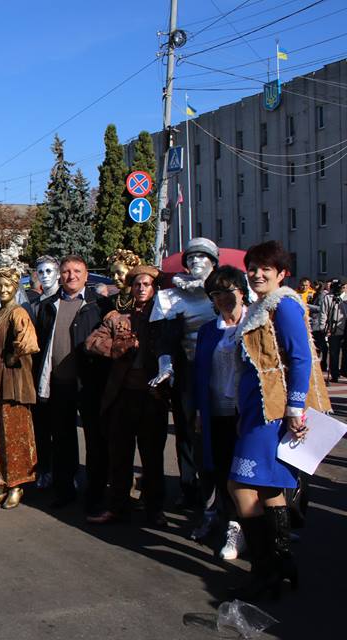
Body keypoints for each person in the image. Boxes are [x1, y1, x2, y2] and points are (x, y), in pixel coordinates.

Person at [229, 241, 330, 599]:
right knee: (270, 487)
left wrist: (294, 410)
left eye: (265, 269)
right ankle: (280, 563)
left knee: (240, 487)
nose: (257, 274)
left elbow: (301, 358)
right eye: (252, 267)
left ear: (281, 273)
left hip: (272, 413)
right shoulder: (261, 306)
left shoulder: (283, 305)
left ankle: (264, 569)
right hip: (258, 409)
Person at [85, 266, 168, 526]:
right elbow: (91, 342)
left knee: (152, 458)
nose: (142, 288)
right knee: (120, 456)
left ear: (154, 289)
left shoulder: (164, 318)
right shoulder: (118, 317)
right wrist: (117, 347)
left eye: (147, 284)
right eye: (137, 284)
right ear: (131, 289)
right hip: (122, 397)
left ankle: (155, 509)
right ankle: (117, 507)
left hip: (153, 398)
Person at [150, 237, 220, 513]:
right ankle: (189, 488)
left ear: (213, 262)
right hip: (188, 372)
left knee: (221, 432)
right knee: (187, 433)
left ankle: (220, 491)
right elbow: (163, 339)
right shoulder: (170, 297)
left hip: (222, 371)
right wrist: (165, 366)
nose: (195, 262)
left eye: (202, 257)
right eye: (190, 258)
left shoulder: (226, 290)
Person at [34, 255, 107, 511]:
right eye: (66, 271)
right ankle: (64, 490)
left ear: (87, 276)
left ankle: (95, 493)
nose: (71, 276)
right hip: (58, 384)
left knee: (95, 440)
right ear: (59, 275)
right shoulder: (47, 306)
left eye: (77, 271)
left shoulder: (98, 305)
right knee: (62, 440)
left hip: (89, 384)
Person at [194, 266, 250, 560]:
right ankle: (230, 522)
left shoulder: (253, 326)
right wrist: (200, 413)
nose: (223, 298)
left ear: (242, 291)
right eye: (216, 294)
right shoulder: (208, 330)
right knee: (220, 471)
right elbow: (201, 374)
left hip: (246, 414)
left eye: (229, 291)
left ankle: (246, 526)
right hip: (215, 411)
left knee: (245, 476)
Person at [0, 267, 40, 510]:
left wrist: (14, 354)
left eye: (7, 285)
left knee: (14, 436)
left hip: (12, 385)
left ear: (15, 286)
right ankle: (0, 484)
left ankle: (16, 486)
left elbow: (29, 341)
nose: (2, 290)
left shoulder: (18, 312)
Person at [22, 255, 60, 489]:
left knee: (62, 427)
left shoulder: (62, 300)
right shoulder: (33, 303)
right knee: (41, 426)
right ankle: (45, 468)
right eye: (40, 271)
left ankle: (67, 471)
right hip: (36, 371)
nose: (45, 276)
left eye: (49, 271)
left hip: (60, 370)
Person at [320, 280, 346, 381]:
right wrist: (323, 327)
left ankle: (344, 371)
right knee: (334, 352)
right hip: (333, 329)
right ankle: (334, 374)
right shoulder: (329, 298)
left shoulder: (345, 298)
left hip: (345, 328)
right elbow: (323, 313)